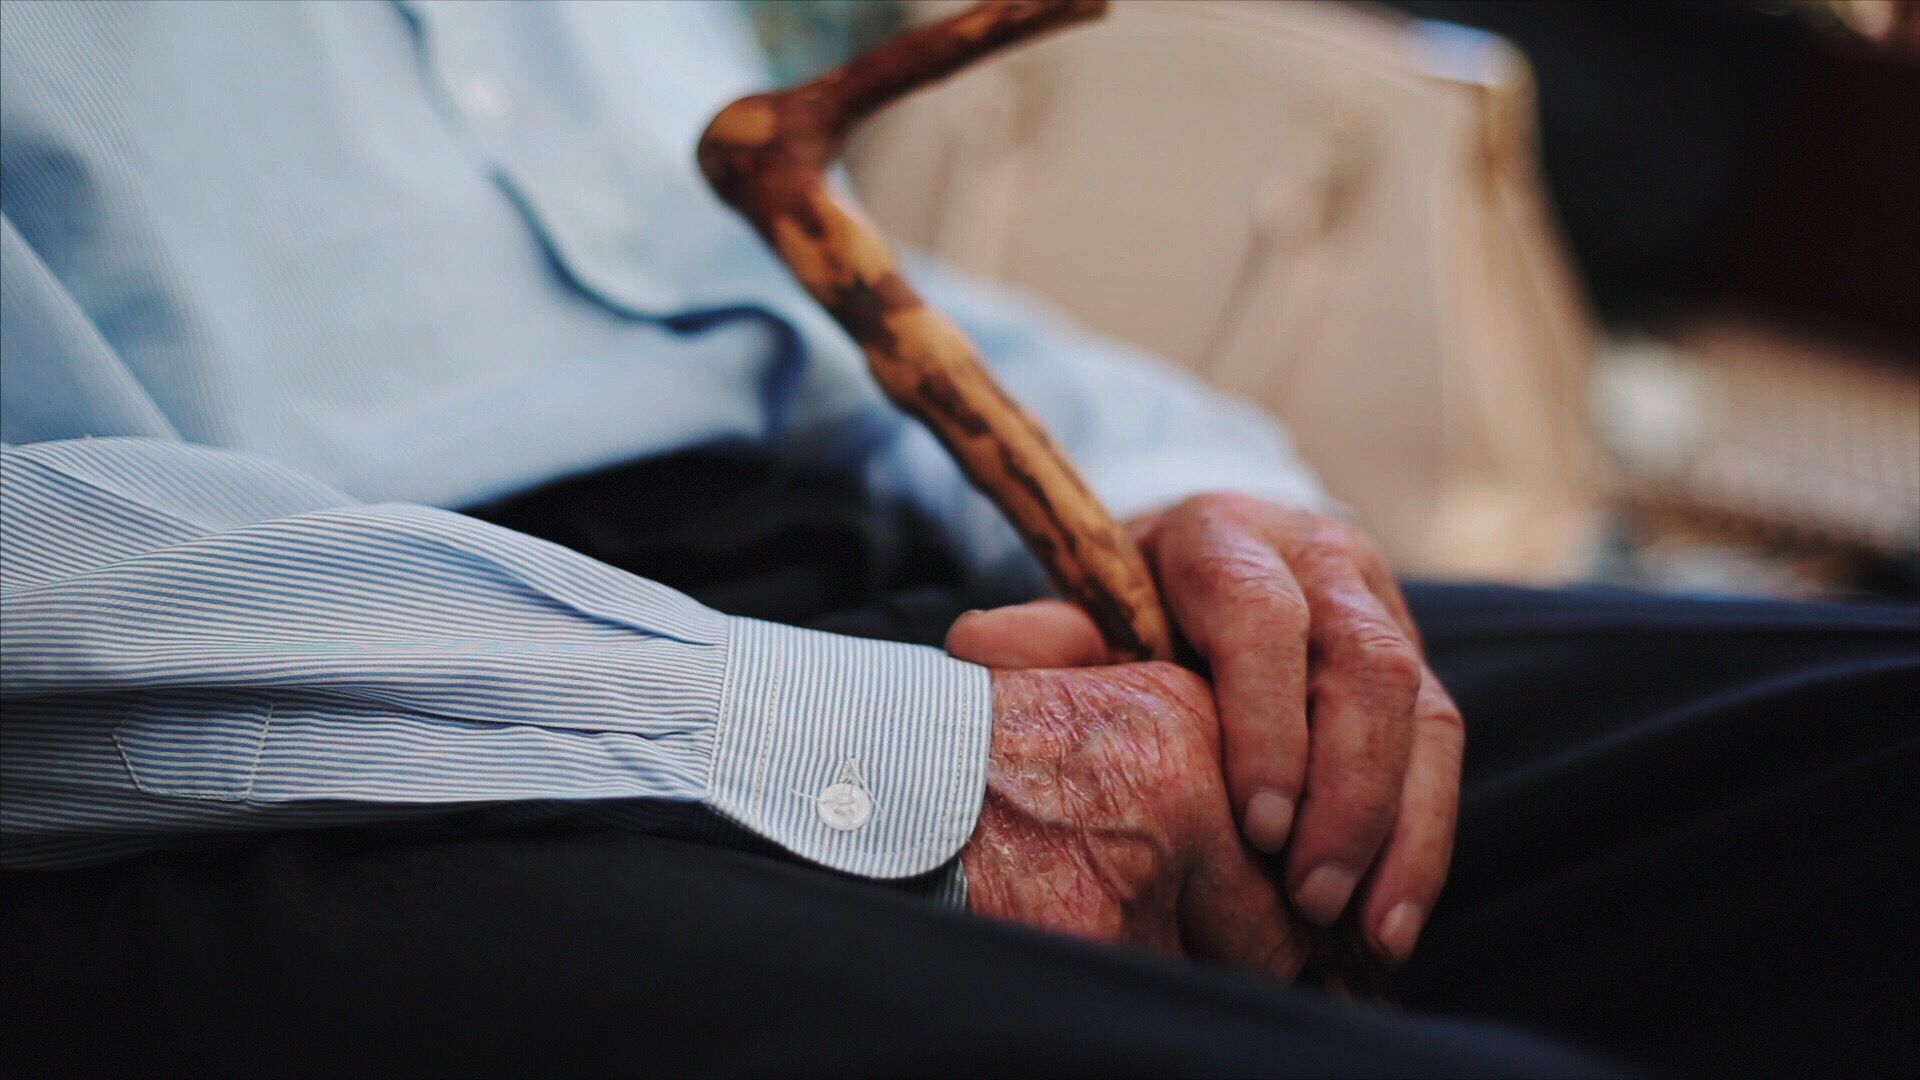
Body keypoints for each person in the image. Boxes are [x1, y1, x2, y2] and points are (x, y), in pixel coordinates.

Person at [1, 3, 1912, 1076]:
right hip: (282, 762)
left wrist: (1199, 494)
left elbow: (777, 271)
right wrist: (873, 748)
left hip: (874, 577)